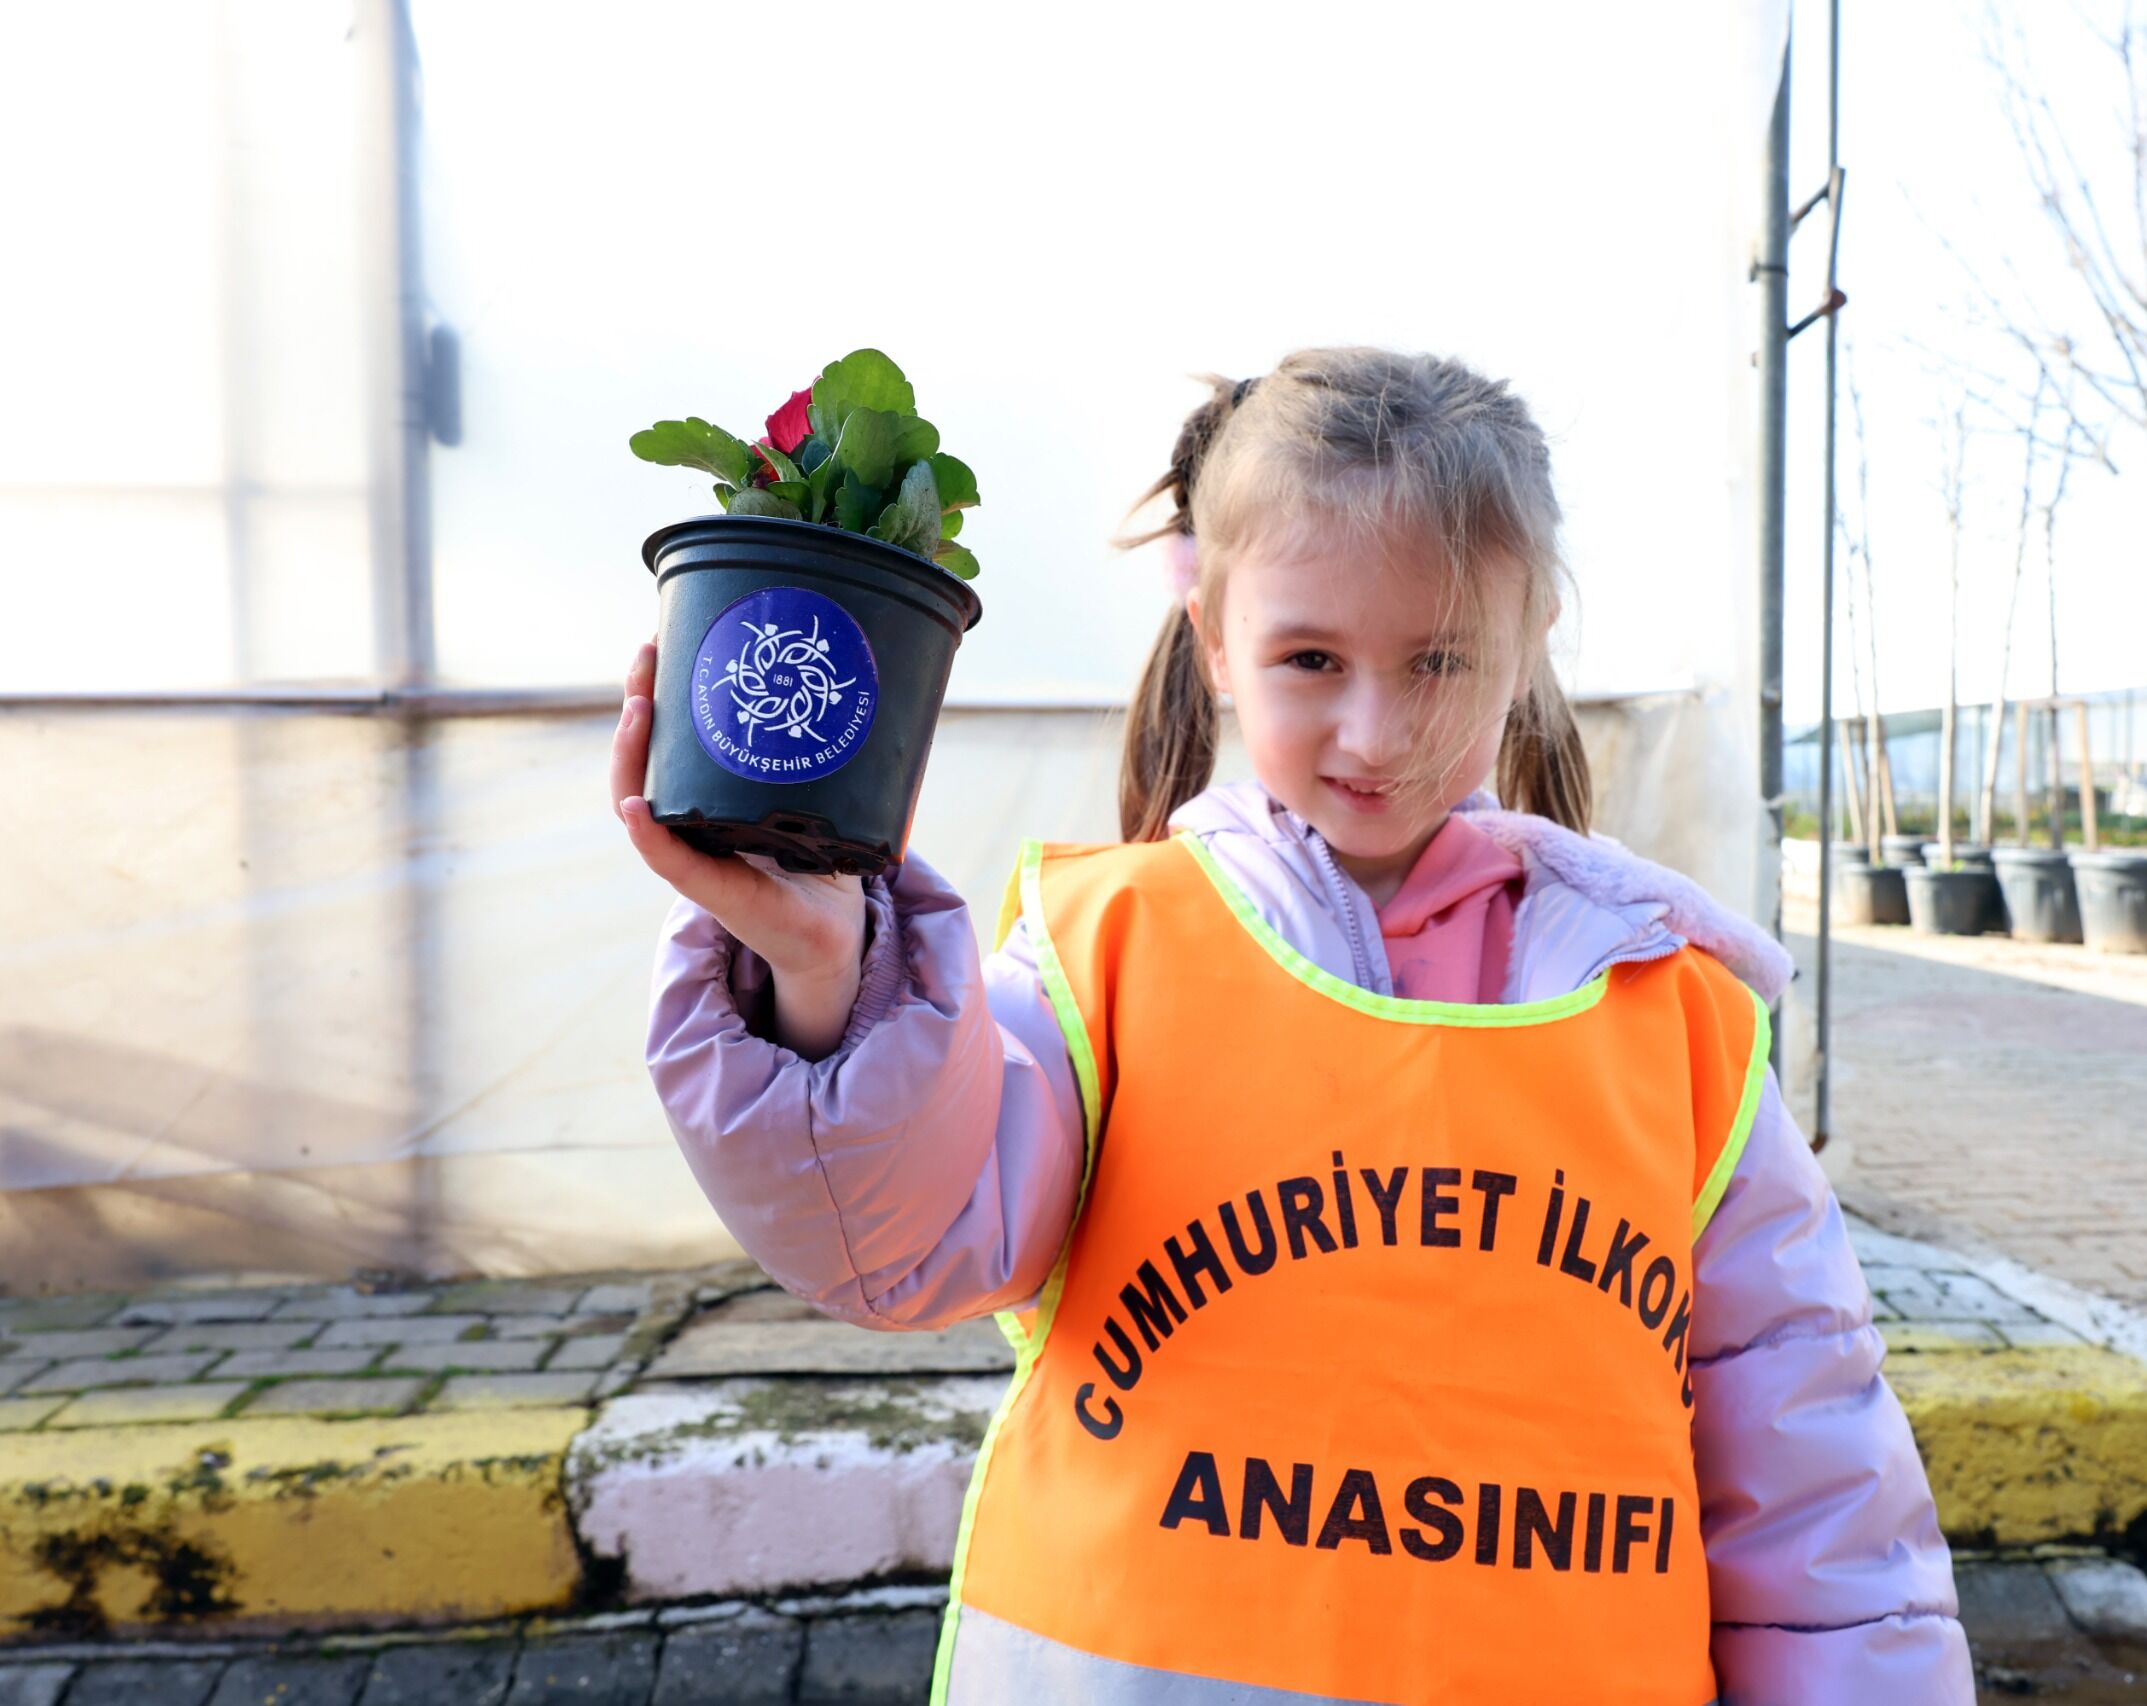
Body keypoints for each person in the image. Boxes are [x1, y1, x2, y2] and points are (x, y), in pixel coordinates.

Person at [612, 347, 1972, 1704]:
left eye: (1438, 659)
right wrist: (820, 972)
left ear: (1526, 640)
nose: (1374, 732)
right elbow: (902, 1232)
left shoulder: (1677, 1022)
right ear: (1215, 640)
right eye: (1311, 657)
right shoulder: (1103, 956)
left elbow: (1819, 1496)